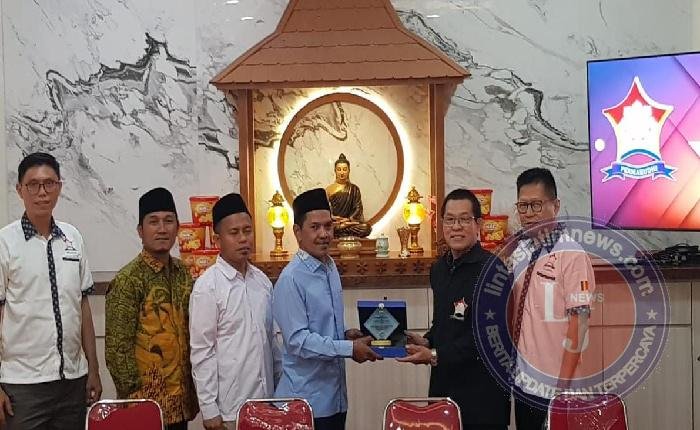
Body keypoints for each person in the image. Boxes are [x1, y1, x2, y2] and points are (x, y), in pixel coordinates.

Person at [0, 152, 102, 429]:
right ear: (20, 189)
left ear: (59, 187)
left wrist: (93, 369)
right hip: (22, 386)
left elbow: (82, 307)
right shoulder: (5, 243)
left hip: (72, 382)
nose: (42, 192)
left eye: (49, 183)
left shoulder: (73, 237)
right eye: (33, 185)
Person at [398, 188, 511, 430]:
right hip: (443, 388)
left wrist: (434, 355)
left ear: (478, 224)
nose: (456, 227)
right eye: (450, 219)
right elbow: (445, 323)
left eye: (464, 219)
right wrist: (427, 341)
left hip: (482, 395)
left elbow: (489, 339)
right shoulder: (439, 269)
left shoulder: (493, 271)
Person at [273, 188, 381, 430]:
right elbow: (298, 341)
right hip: (304, 404)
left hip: (335, 399)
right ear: (297, 232)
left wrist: (346, 334)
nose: (324, 234)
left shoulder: (330, 266)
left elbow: (322, 325)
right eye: (315, 227)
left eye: (328, 226)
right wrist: (349, 348)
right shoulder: (291, 279)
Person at [105, 187, 198, 430]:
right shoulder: (128, 280)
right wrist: (135, 399)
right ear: (140, 230)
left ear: (177, 228)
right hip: (145, 405)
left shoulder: (183, 273)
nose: (162, 229)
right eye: (153, 222)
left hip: (180, 402)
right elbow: (117, 350)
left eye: (169, 221)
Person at [510, 168, 595, 430]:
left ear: (555, 206)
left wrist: (562, 390)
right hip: (523, 382)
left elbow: (579, 324)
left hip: (557, 387)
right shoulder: (520, 251)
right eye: (523, 206)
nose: (528, 213)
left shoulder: (572, 254)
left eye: (536, 205)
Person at [190, 193, 282, 430]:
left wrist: (280, 394)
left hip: (267, 403)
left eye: (247, 231)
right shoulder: (207, 287)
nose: (243, 239)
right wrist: (209, 409)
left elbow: (272, 342)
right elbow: (202, 351)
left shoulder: (262, 282)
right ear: (217, 239)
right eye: (234, 233)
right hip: (230, 411)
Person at [325, 153, 371, 237]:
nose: (342, 172)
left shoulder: (354, 189)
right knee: (326, 228)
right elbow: (325, 211)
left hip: (349, 222)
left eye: (344, 169)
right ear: (335, 171)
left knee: (366, 228)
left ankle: (340, 230)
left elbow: (358, 208)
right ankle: (339, 229)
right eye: (339, 169)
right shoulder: (329, 189)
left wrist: (348, 220)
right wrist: (333, 218)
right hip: (336, 223)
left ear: (349, 171)